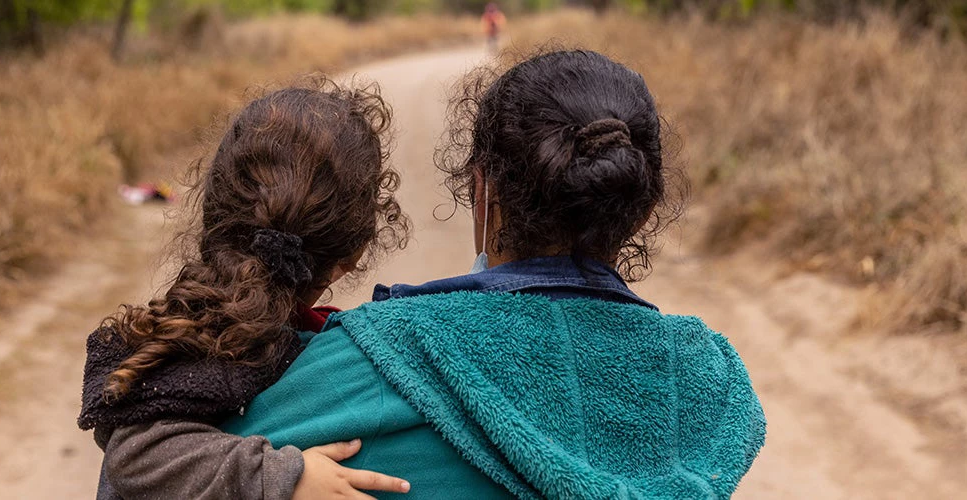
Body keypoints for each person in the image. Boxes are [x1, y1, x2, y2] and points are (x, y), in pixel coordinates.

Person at [104, 49, 766, 498]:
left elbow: (131, 476)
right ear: (644, 205)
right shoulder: (708, 389)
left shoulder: (366, 365)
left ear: (483, 192)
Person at [78, 80, 414, 500]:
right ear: (354, 253)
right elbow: (135, 453)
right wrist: (281, 477)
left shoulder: (252, 326)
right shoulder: (217, 333)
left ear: (211, 213)